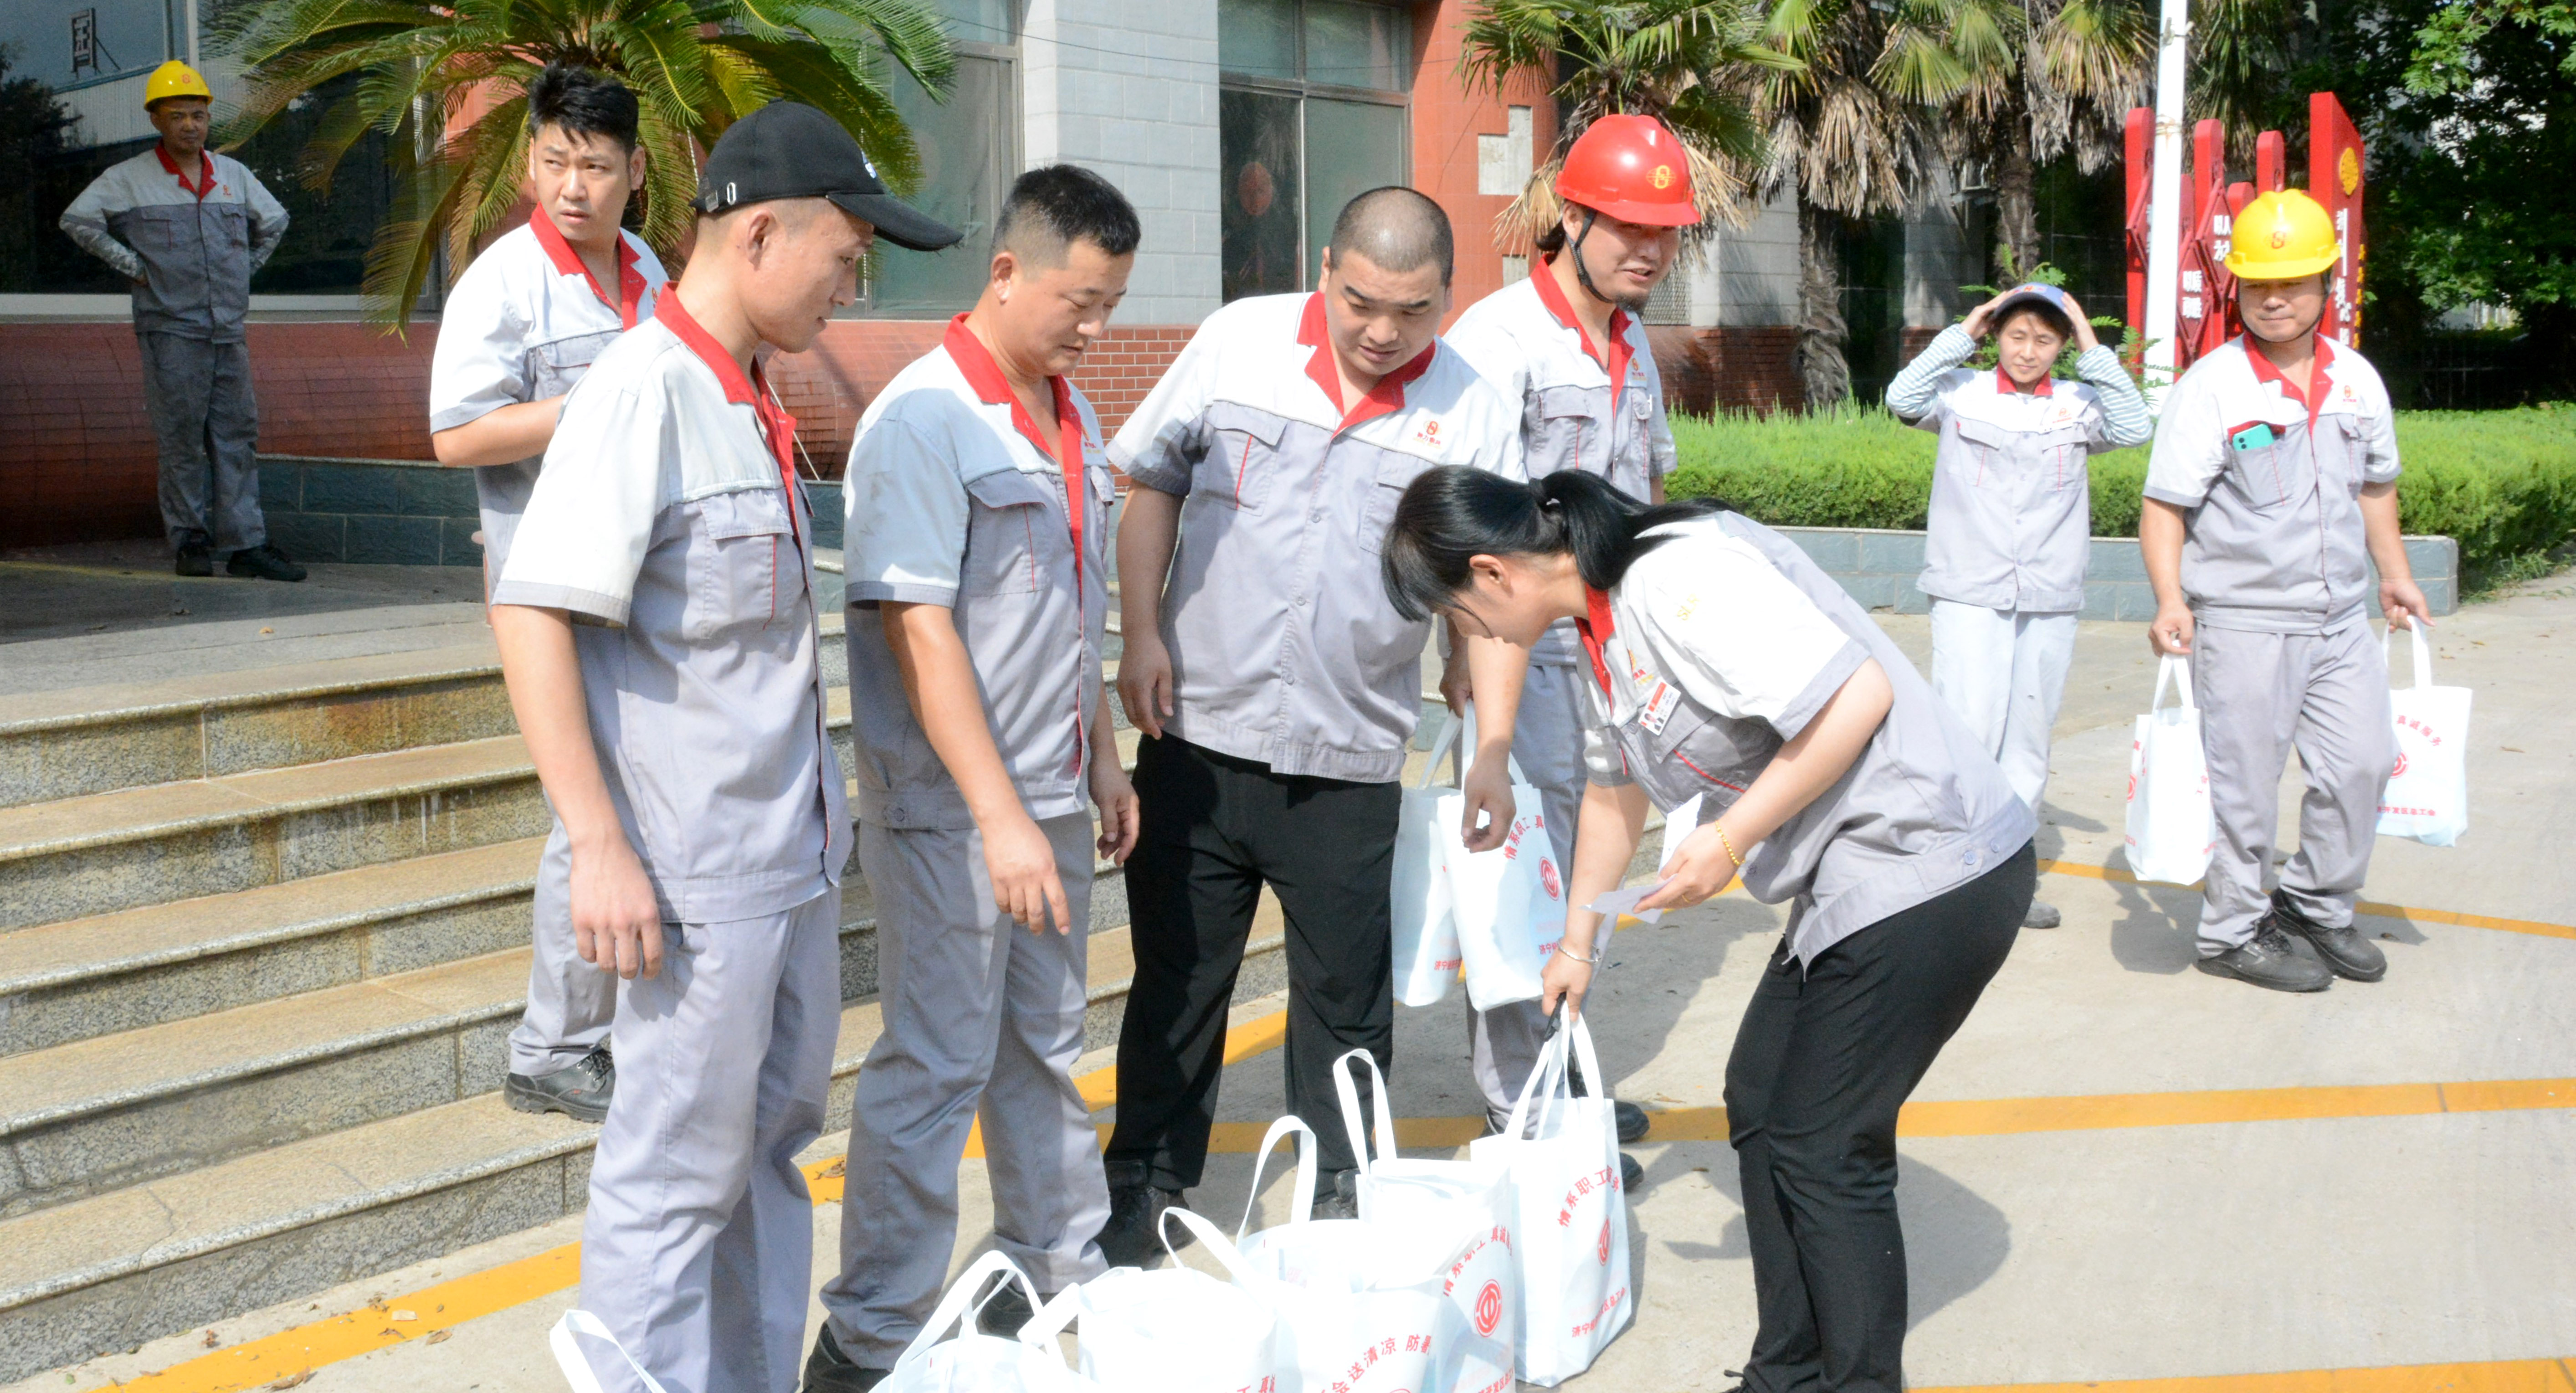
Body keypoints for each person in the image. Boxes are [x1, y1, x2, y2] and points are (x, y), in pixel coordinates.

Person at [1381, 466, 2036, 1393]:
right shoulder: (1599, 623)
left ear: (1492, 574)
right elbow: (1613, 793)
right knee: (1762, 1098)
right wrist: (1575, 945)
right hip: (1857, 876)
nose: (1475, 637)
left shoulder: (1675, 576)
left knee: (1823, 1142)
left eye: (1459, 615)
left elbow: (1857, 697)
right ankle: (1785, 1375)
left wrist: (1728, 840)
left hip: (1933, 860)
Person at [488, 101, 957, 1393]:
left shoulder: (737, 391)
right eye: (845, 258)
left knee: (761, 1148)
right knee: (673, 1171)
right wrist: (597, 846)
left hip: (782, 857)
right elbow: (532, 614)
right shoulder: (642, 389)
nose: (851, 287)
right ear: (759, 235)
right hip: (694, 875)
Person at [1097, 187, 1526, 1262]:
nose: (1382, 331)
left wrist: (1491, 747)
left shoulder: (1471, 408)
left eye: (1412, 311)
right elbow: (1151, 484)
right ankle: (1145, 1182)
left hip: (1346, 755)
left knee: (1343, 995)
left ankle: (1343, 1186)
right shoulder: (1237, 344)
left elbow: (1493, 589)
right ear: (1324, 268)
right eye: (1360, 302)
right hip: (1196, 734)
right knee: (1177, 982)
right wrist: (1138, 633)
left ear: (1447, 299)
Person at [803, 166, 1140, 1392]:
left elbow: (1070, 605)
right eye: (1078, 301)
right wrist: (998, 815)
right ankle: (868, 1336)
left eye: (1110, 305)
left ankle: (1056, 1272)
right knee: (938, 1061)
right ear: (1006, 272)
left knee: (1042, 1045)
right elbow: (919, 626)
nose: (1093, 328)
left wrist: (1101, 756)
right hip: (953, 812)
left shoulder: (1068, 413)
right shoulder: (923, 420)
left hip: (1045, 795)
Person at [1444, 113, 1697, 1164]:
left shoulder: (1631, 343)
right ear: (1572, 218)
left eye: (1664, 232)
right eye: (1627, 226)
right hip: (1525, 648)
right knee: (1519, 877)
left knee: (1584, 873)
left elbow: (1651, 487)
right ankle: (1524, 1106)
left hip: (1611, 652)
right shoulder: (1497, 340)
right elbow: (1476, 539)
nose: (1648, 250)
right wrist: (1477, 687)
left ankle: (1562, 1065)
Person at [429, 61, 669, 1126]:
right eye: (556, 161)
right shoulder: (501, 283)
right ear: (529, 162)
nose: (574, 185)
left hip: (640, 578)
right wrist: (593, 405)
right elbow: (455, 436)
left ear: (635, 171)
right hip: (549, 589)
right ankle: (554, 1048)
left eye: (596, 165)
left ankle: (608, 1029)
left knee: (629, 794)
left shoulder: (647, 268)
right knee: (590, 811)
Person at [2140, 188, 2429, 993]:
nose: (2274, 299)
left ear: (2324, 286)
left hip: (2338, 618)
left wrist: (2395, 576)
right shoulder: (2213, 386)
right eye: (2259, 284)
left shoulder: (2356, 380)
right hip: (2243, 620)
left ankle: (2312, 903)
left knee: (2363, 763)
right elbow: (2164, 506)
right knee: (2244, 788)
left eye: (2292, 283)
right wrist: (2170, 598)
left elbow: (2374, 485)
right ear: (2237, 288)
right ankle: (2230, 931)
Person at [1885, 282, 2153, 929]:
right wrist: (1963, 331)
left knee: (2027, 745)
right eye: (2015, 336)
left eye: (2044, 339)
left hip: (2048, 595)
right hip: (1968, 591)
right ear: (1996, 336)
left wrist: (2090, 340)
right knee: (1967, 732)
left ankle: (2006, 883)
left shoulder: (2078, 404)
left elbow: (2135, 427)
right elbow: (1901, 397)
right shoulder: (1960, 393)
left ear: (2061, 346)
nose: (2028, 351)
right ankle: (1950, 878)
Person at [59, 60, 302, 582]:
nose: (190, 125)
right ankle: (190, 541)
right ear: (156, 120)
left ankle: (246, 546)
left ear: (209, 119)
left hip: (227, 329)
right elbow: (77, 219)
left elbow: (276, 222)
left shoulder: (233, 176)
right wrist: (134, 267)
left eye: (198, 115)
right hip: (169, 328)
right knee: (181, 438)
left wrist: (243, 271)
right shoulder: (128, 178)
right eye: (178, 116)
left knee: (238, 436)